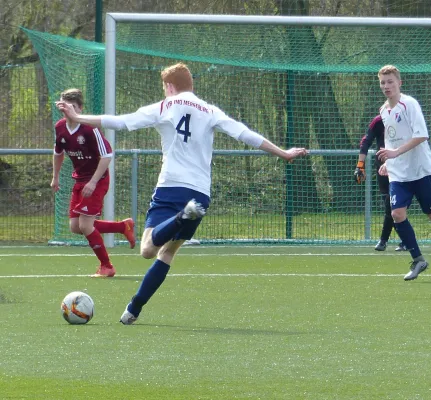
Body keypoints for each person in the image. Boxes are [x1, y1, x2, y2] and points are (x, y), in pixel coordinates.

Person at [56, 63, 308, 324]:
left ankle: (178, 219)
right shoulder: (210, 110)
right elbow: (245, 134)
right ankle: (133, 308)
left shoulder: (166, 106)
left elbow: (122, 122)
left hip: (171, 185)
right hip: (200, 192)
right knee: (167, 253)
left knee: (147, 249)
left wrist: (77, 118)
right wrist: (284, 153)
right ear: (191, 86)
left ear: (169, 86)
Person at [374, 65, 431, 282]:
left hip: (421, 170)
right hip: (399, 174)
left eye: (390, 81)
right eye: (383, 82)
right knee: (397, 214)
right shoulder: (384, 110)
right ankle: (418, 259)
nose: (386, 86)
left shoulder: (409, 104)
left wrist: (395, 153)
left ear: (399, 83)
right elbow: (392, 139)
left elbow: (421, 135)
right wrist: (389, 160)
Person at [51, 88, 136, 278]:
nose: (69, 110)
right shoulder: (60, 127)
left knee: (86, 225)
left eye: (73, 107)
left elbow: (107, 155)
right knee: (75, 226)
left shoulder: (90, 129)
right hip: (80, 180)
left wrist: (93, 182)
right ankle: (122, 227)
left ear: (80, 109)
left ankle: (107, 266)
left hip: (97, 180)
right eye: (65, 106)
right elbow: (58, 153)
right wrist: (55, 177)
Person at [354, 115, 406, 252]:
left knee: (393, 206)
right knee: (390, 206)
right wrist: (360, 166)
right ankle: (405, 241)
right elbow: (366, 141)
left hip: (400, 169)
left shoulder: (403, 120)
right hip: (382, 170)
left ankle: (385, 240)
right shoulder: (378, 121)